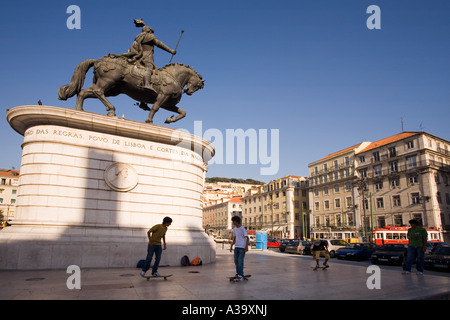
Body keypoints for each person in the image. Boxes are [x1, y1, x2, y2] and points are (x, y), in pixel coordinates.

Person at [120, 19, 176, 95]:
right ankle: (146, 84)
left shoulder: (139, 37)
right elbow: (159, 44)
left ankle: (143, 101)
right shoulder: (149, 36)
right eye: (151, 30)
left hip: (139, 56)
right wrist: (171, 51)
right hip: (147, 56)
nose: (152, 32)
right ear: (149, 30)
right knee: (149, 68)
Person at [229, 216, 249, 281]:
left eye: (233, 221)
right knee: (236, 261)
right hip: (236, 247)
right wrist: (231, 246)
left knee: (240, 261)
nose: (233, 222)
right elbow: (235, 238)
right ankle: (238, 273)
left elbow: (247, 238)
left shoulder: (242, 228)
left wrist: (246, 246)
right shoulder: (234, 229)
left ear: (236, 221)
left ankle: (240, 274)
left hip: (242, 247)